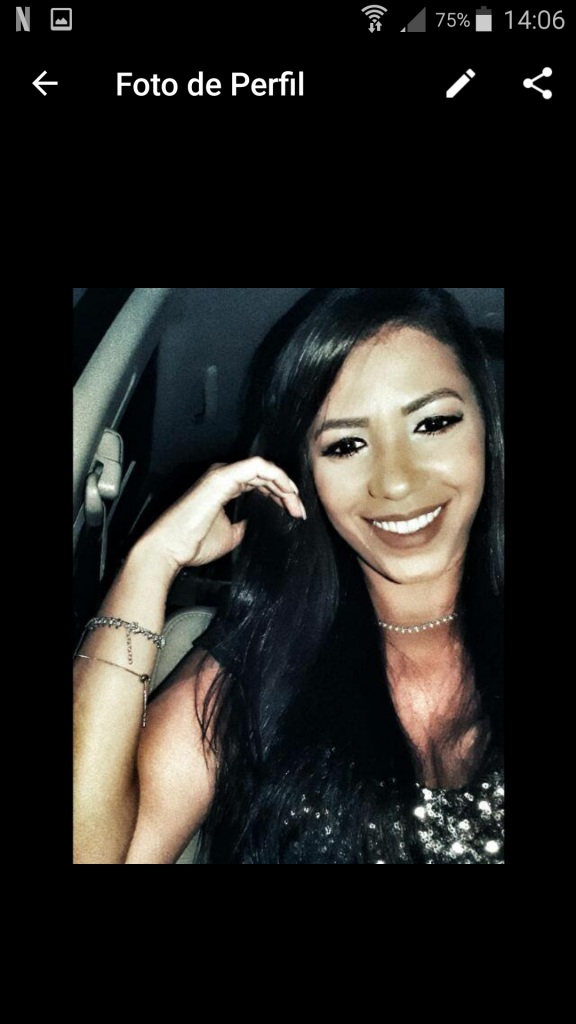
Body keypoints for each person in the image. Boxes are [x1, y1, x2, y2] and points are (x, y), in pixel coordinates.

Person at [73, 288, 504, 864]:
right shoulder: (255, 667)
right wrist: (149, 563)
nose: (396, 481)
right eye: (346, 445)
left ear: (486, 429)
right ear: (304, 477)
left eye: (433, 423)